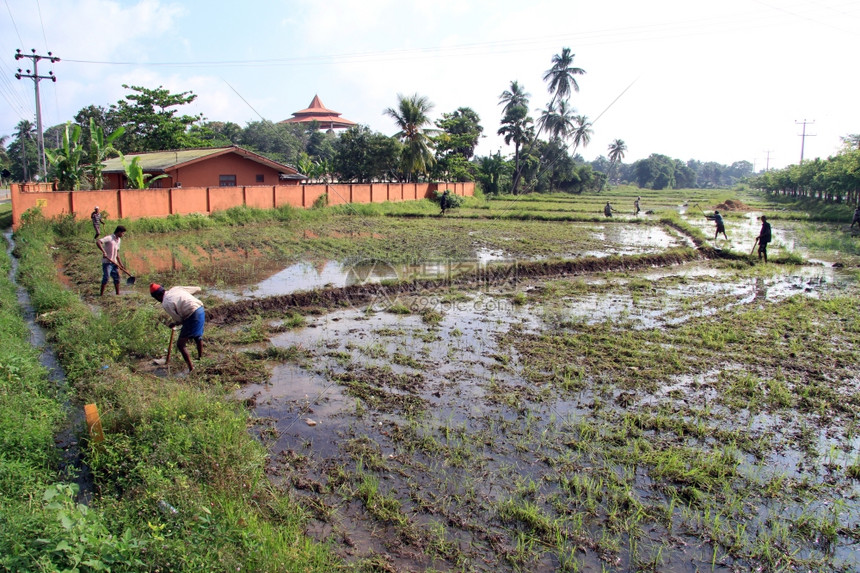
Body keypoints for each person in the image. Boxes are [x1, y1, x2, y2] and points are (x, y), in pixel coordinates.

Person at [150, 283, 205, 372]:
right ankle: (200, 358)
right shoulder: (175, 289)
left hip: (192, 314)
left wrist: (174, 323)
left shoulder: (166, 303)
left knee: (180, 344)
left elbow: (179, 319)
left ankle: (191, 369)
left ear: (157, 296)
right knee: (197, 336)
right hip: (200, 309)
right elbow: (197, 288)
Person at [96, 225, 127, 295]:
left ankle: (118, 294)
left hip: (114, 263)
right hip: (107, 263)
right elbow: (98, 242)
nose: (123, 235)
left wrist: (120, 264)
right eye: (123, 233)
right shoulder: (109, 238)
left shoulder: (119, 240)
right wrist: (103, 252)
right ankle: (101, 294)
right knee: (106, 278)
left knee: (117, 278)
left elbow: (117, 253)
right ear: (119, 232)